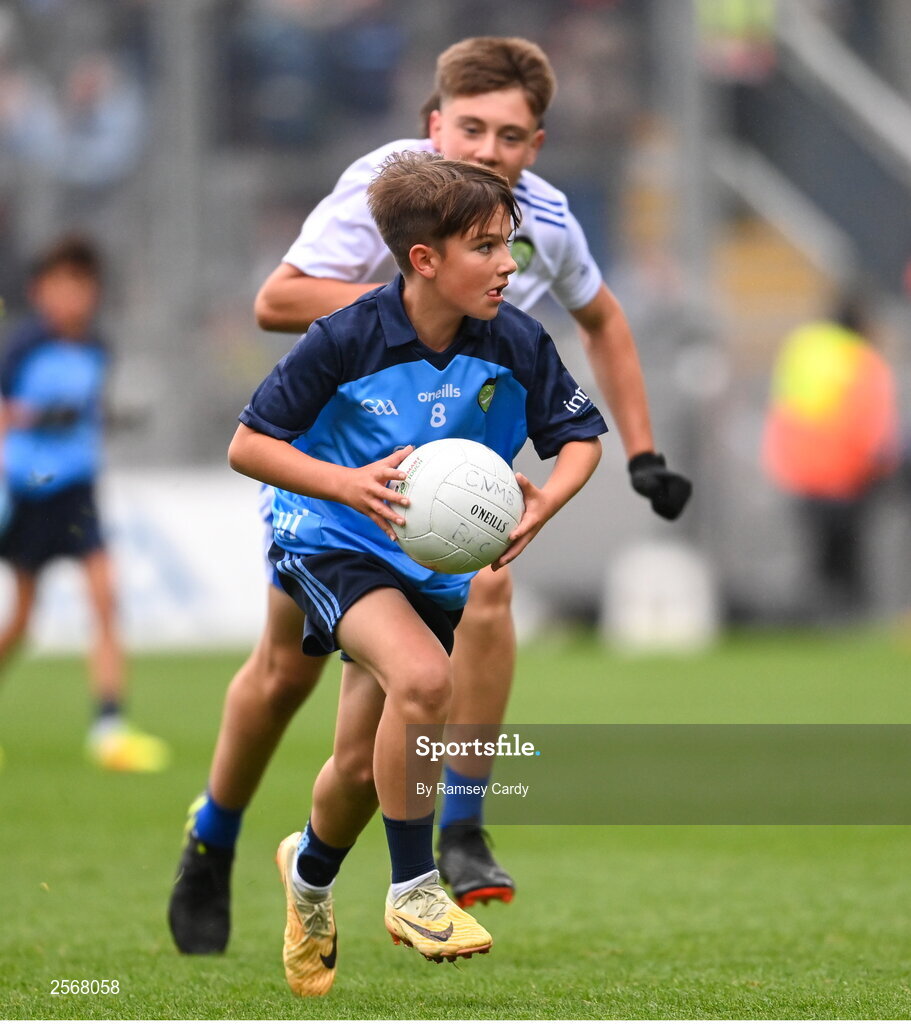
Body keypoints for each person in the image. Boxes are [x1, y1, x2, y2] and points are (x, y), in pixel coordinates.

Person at [168, 36, 690, 955]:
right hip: (339, 491)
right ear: (432, 125)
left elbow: (600, 330)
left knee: (450, 638)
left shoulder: (543, 233)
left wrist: (638, 452)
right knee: (286, 674)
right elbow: (274, 302)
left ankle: (448, 827)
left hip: (439, 506)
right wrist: (414, 305)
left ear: (537, 144)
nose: (490, 149)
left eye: (513, 136)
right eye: (472, 128)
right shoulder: (387, 195)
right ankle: (214, 836)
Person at [229, 151, 607, 996]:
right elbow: (247, 444)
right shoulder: (345, 336)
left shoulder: (513, 339)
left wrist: (542, 505)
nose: (508, 264)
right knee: (426, 682)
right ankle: (413, 888)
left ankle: (310, 875)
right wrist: (348, 485)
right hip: (331, 536)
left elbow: (578, 440)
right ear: (423, 260)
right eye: (485, 247)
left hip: (431, 562)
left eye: (509, 245)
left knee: (362, 773)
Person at [0, 234, 169, 771]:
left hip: (77, 492)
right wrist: (43, 418)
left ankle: (109, 727)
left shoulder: (98, 347)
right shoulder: (23, 347)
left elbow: (89, 414)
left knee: (105, 598)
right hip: (28, 492)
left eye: (82, 286)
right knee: (22, 618)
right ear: (39, 291)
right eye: (61, 286)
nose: (72, 297)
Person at [762, 292, 900, 620]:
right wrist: (887, 469)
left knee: (817, 557)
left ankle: (817, 618)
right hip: (846, 474)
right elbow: (875, 429)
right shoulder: (862, 359)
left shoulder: (803, 346)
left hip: (798, 471)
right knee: (848, 558)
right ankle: (849, 618)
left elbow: (784, 404)